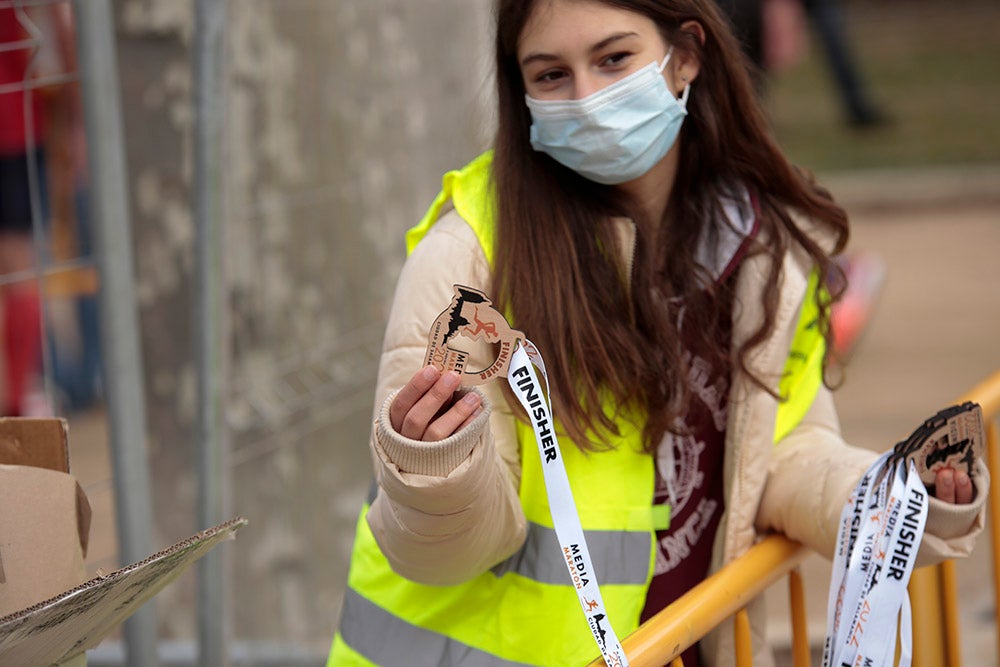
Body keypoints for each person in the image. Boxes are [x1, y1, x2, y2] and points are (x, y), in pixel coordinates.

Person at [329, 1, 987, 665]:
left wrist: (899, 502)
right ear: (520, 90)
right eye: (551, 75)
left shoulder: (758, 249)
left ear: (687, 56)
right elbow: (440, 551)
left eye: (614, 58)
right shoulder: (469, 259)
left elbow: (782, 451)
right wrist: (433, 470)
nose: (588, 100)